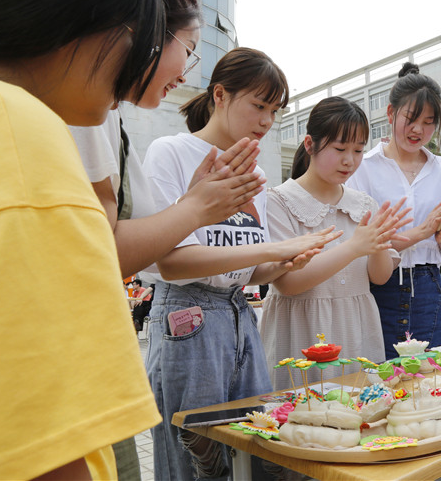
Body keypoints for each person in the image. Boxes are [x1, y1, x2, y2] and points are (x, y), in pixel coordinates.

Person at [0, 0, 164, 479]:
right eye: (141, 40)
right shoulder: (20, 130)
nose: (138, 69)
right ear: (83, 17)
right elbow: (45, 441)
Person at [142, 47, 340, 479]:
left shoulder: (257, 174)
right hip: (187, 317)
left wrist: (287, 261)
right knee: (196, 460)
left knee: (258, 449)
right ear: (220, 95)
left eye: (275, 110)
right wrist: (273, 251)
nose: (267, 120)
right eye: (259, 105)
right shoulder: (170, 152)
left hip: (240, 315)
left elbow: (250, 272)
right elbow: (173, 262)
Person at [69, 0, 264, 280]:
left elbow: (143, 250)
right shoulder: (81, 110)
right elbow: (95, 250)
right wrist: (194, 208)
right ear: (147, 30)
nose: (184, 74)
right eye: (188, 50)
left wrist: (191, 203)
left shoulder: (104, 113)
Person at [261, 97, 411, 389]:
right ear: (310, 144)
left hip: (356, 329)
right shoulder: (279, 201)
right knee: (303, 410)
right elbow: (288, 283)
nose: (349, 160)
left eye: (358, 150)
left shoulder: (363, 204)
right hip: (301, 331)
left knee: (360, 408)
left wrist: (378, 243)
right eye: (340, 149)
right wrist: (355, 247)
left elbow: (379, 277)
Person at [347, 62, 441, 358]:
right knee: (379, 376)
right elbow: (359, 244)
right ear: (390, 113)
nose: (418, 130)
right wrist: (423, 231)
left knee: (436, 375)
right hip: (378, 287)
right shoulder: (364, 167)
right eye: (410, 119)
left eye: (428, 122)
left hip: (428, 287)